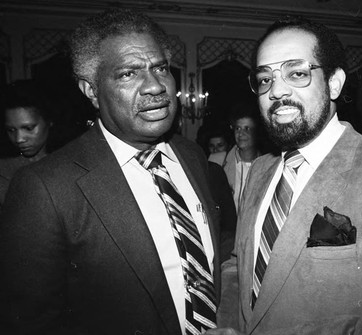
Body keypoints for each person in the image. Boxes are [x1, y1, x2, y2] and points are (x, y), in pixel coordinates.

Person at [209, 16, 362, 335]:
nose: (276, 90)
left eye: (297, 73)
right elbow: (237, 268)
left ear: (334, 83)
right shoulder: (261, 170)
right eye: (265, 79)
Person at [0, 9, 222, 335]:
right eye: (128, 74)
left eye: (160, 68)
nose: (154, 86)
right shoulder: (45, 188)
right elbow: (30, 323)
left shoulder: (191, 156)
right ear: (90, 90)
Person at [0, 80, 54, 208]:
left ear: (49, 121)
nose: (19, 139)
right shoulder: (3, 170)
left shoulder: (69, 164)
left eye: (29, 128)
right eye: (11, 130)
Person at [209, 104, 262, 211]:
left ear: (256, 132)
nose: (241, 133)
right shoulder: (218, 161)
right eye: (238, 128)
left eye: (247, 129)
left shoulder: (268, 165)